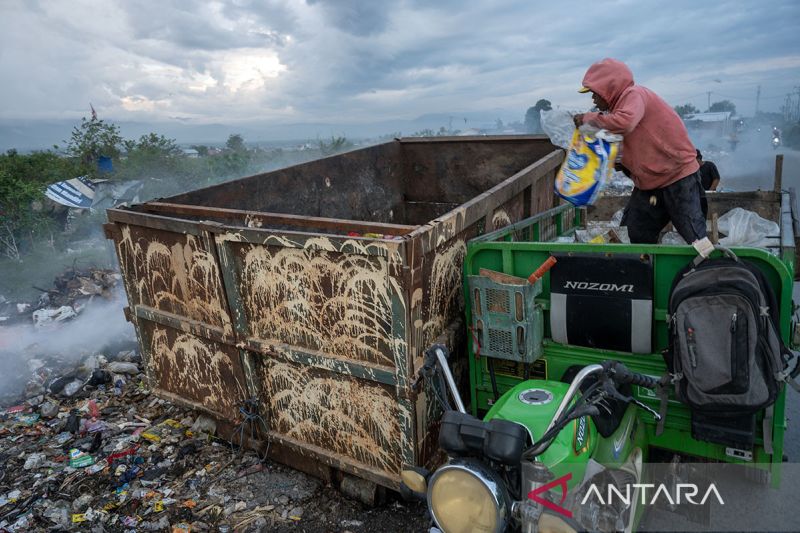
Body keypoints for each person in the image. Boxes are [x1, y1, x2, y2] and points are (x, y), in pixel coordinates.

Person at [573, 58, 706, 244]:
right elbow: (629, 143)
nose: (593, 99)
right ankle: (640, 272)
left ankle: (711, 268)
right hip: (650, 185)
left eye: (595, 93)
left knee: (696, 240)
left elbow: (626, 122)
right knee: (633, 237)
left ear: (609, 88)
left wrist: (588, 119)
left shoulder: (633, 95)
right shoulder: (616, 112)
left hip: (679, 178)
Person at [696, 149, 720, 218]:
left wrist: (709, 191)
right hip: (698, 196)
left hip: (710, 196)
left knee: (709, 214)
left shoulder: (709, 165)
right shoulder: (694, 169)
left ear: (699, 158)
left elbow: (716, 179)